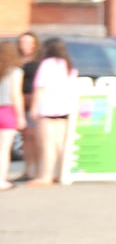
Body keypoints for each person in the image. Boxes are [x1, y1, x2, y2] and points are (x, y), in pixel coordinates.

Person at [28, 37, 76, 187]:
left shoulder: (46, 64)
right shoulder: (68, 65)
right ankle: (61, 173)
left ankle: (46, 175)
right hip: (64, 108)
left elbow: (40, 87)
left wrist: (34, 108)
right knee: (60, 143)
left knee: (47, 144)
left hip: (47, 107)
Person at [0, 40, 26, 189]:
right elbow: (16, 95)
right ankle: (1, 180)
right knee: (4, 149)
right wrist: (21, 116)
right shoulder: (15, 71)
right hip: (7, 111)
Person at [16, 31, 41, 182]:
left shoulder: (39, 62)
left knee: (34, 137)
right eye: (23, 42)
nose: (25, 45)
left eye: (29, 42)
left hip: (33, 102)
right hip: (20, 102)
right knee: (25, 138)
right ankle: (27, 170)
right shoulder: (16, 60)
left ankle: (37, 170)